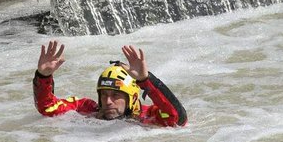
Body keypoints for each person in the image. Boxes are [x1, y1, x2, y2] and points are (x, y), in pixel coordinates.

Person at [33, 40, 187, 127]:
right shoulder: (87, 108)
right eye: (104, 95)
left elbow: (177, 118)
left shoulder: (150, 116)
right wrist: (44, 76)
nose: (107, 101)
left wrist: (146, 80)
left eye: (115, 95)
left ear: (132, 97)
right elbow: (47, 107)